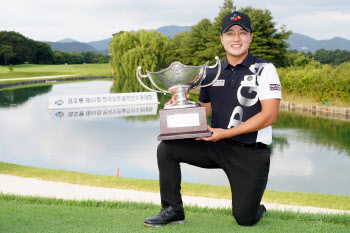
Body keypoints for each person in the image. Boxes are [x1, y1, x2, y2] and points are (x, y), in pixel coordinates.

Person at [144, 11, 282, 227]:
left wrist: (226, 132)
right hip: (217, 145)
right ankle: (172, 209)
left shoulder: (265, 69)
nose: (236, 38)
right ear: (222, 38)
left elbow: (269, 115)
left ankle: (256, 207)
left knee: (245, 219)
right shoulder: (211, 73)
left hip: (251, 152)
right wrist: (181, 106)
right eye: (230, 33)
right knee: (167, 148)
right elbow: (204, 109)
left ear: (250, 37)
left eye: (242, 33)